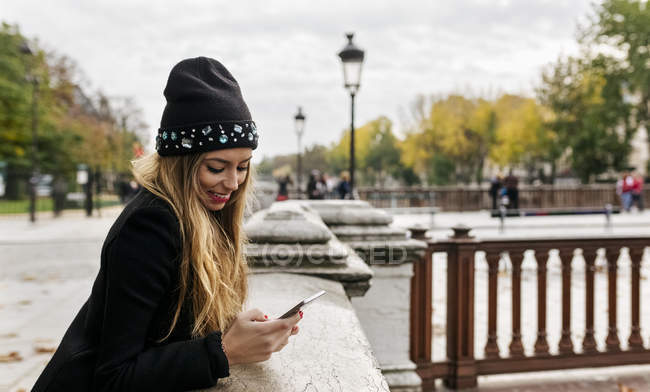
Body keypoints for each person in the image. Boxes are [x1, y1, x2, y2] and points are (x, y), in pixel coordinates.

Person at [33, 57, 302, 391]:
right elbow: (114, 377)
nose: (233, 183)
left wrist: (239, 333)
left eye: (243, 167)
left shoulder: (207, 213)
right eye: (217, 168)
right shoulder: (150, 226)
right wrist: (224, 351)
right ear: (182, 165)